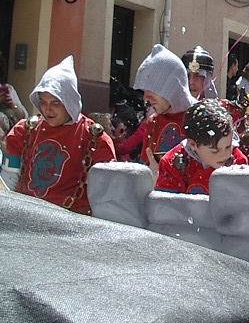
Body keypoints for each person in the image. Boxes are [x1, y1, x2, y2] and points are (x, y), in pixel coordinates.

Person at [1, 56, 115, 214]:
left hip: (70, 222)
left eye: (55, 103)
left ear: (69, 101)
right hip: (25, 216)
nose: (47, 109)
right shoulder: (25, 130)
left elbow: (104, 197)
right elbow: (9, 181)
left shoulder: (95, 139)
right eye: (43, 102)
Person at [154, 100, 247, 196]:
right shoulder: (172, 164)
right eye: (215, 151)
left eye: (228, 147)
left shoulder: (237, 160)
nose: (224, 155)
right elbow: (167, 202)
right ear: (192, 145)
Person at [134, 44, 197, 167]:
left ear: (171, 87)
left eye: (151, 90)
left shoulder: (202, 119)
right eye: (144, 91)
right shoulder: (153, 122)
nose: (146, 98)